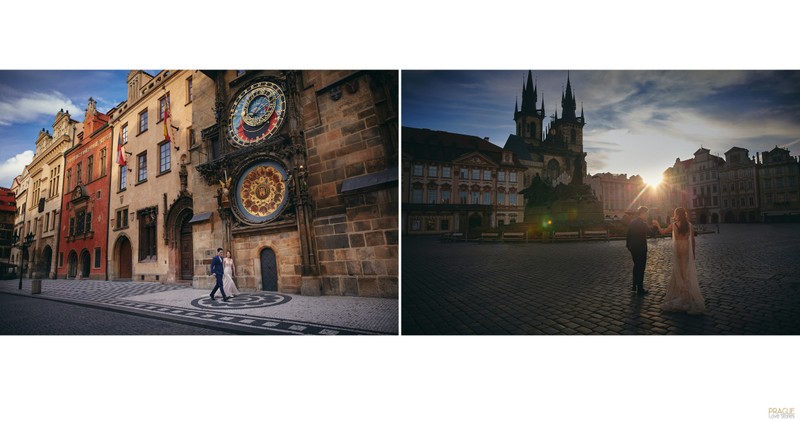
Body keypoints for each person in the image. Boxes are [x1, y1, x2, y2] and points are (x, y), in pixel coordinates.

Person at [653, 207, 705, 315]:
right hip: (686, 250)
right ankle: (686, 294)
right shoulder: (689, 225)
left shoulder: (674, 225)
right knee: (685, 273)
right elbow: (693, 240)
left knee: (679, 272)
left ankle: (683, 294)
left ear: (677, 214)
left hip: (678, 251)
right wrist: (693, 253)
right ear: (684, 214)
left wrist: (657, 224)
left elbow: (662, 232)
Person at [626, 206, 656, 295]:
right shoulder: (643, 224)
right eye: (646, 213)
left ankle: (634, 286)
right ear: (641, 213)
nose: (647, 215)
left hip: (633, 248)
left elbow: (628, 235)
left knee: (636, 266)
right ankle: (640, 289)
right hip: (641, 249)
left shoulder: (632, 222)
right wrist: (655, 227)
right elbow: (651, 234)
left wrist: (629, 246)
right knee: (641, 268)